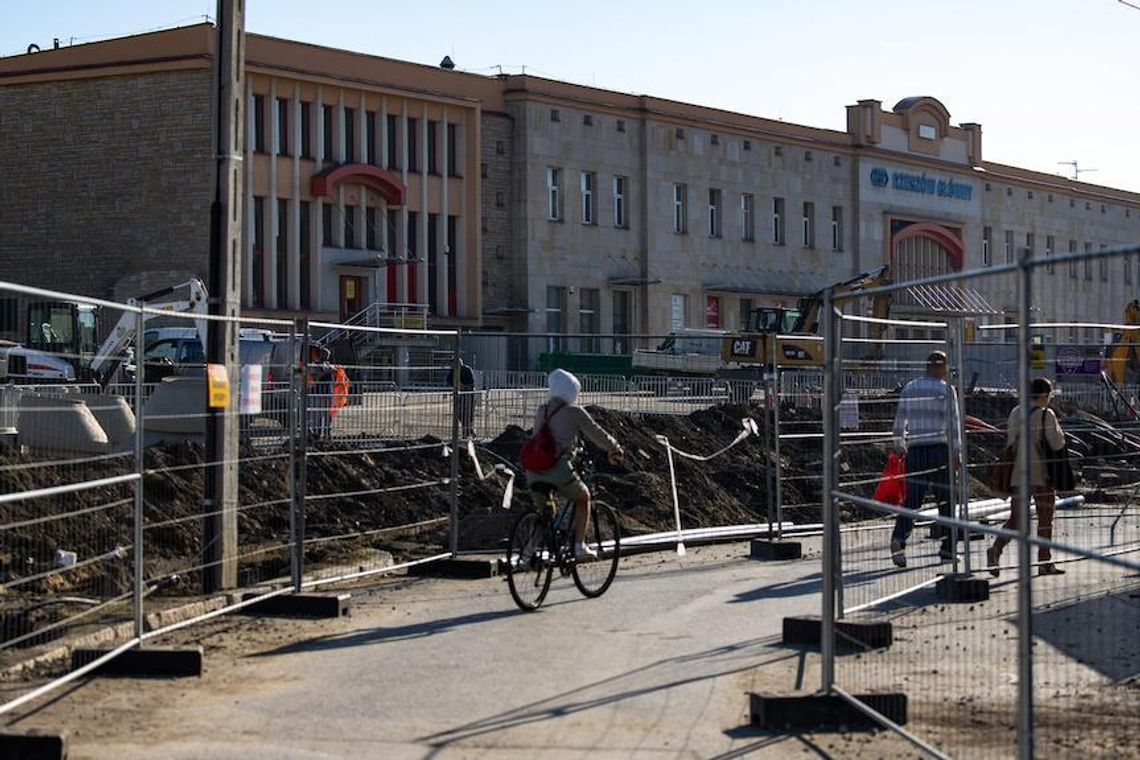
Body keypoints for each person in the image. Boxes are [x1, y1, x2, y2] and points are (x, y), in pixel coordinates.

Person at [525, 369, 624, 559]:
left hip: (533, 468)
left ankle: (528, 553)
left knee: (545, 510)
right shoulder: (575, 412)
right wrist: (615, 448)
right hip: (557, 467)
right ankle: (579, 546)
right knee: (583, 498)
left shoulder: (542, 410)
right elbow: (596, 433)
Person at [986, 377, 1067, 577]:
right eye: (1049, 396)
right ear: (1044, 395)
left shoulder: (1015, 412)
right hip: (1041, 473)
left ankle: (996, 549)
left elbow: (1010, 440)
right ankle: (1044, 561)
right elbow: (1057, 443)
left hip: (1018, 473)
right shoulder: (1046, 414)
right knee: (1045, 517)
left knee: (1017, 518)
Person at [889, 350, 962, 568]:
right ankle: (948, 550)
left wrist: (900, 445)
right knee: (947, 501)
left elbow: (899, 422)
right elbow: (954, 425)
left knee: (912, 500)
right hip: (939, 450)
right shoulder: (946, 390)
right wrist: (957, 452)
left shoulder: (910, 388)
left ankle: (899, 539)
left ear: (926, 366)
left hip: (916, 451)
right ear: (942, 367)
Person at [447, 357, 477, 437]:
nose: (451, 366)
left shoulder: (466, 370)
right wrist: (456, 384)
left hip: (468, 395)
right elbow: (449, 381)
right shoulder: (453, 371)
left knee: (467, 414)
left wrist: (464, 386)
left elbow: (471, 383)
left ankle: (467, 433)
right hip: (459, 396)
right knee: (459, 414)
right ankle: (469, 430)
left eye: (453, 364)